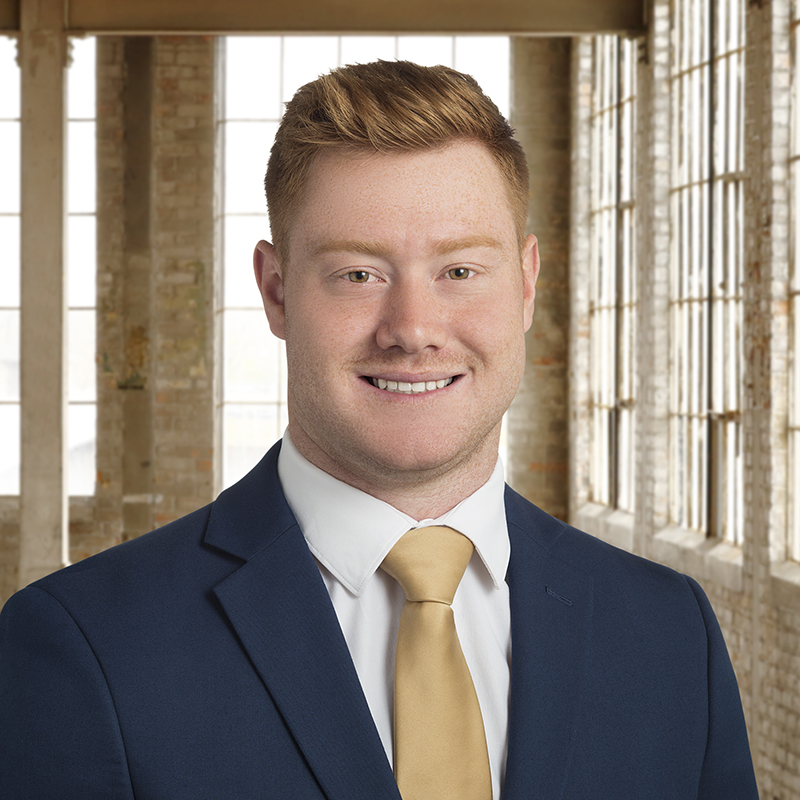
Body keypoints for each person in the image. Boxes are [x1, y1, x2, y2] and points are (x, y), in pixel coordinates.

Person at [0, 60, 757, 799]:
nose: (413, 329)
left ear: (525, 288)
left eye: (460, 271)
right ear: (276, 293)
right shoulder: (87, 645)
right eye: (359, 274)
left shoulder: (668, 633)